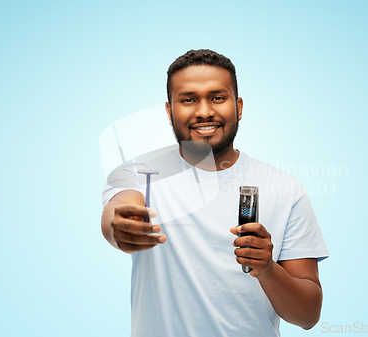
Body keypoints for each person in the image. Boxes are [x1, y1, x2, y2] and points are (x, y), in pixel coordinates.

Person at [101, 49, 329, 337]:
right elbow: (119, 208)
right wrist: (121, 224)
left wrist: (268, 269)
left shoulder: (284, 187)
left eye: (217, 98)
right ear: (170, 111)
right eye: (188, 100)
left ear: (239, 107)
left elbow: (308, 315)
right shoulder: (138, 173)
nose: (204, 111)